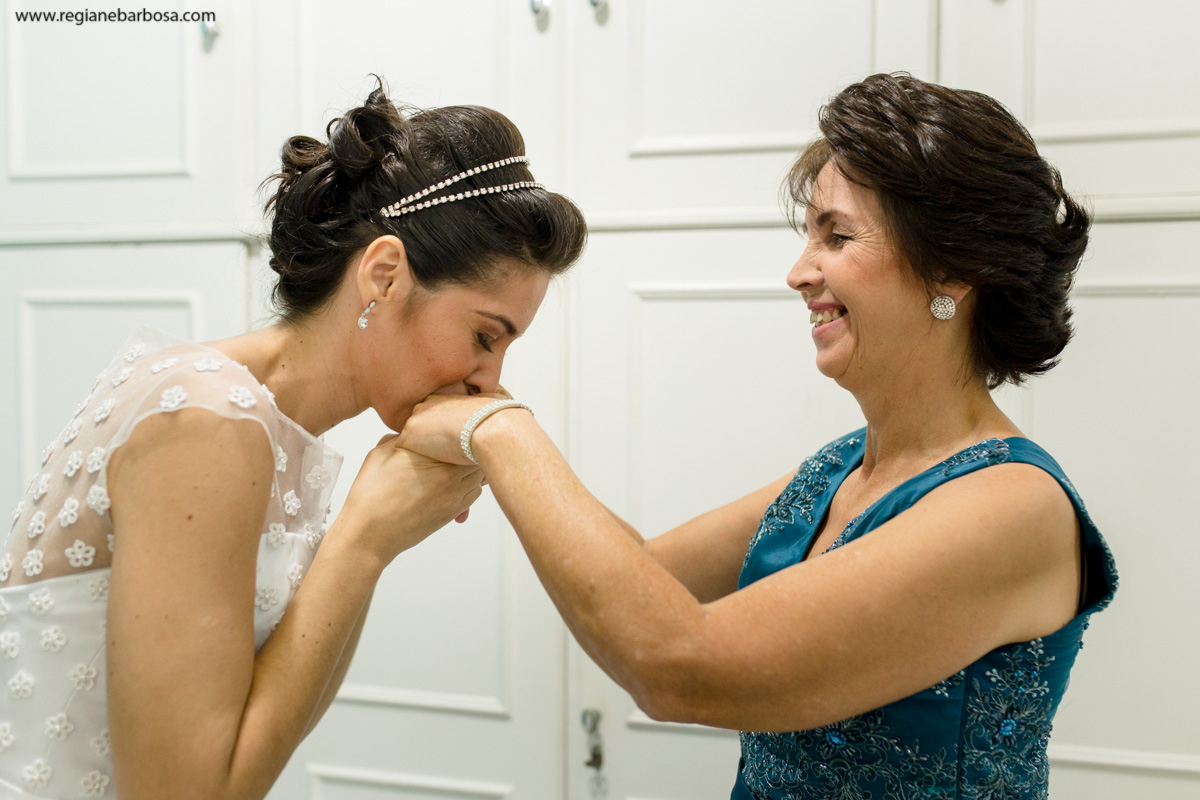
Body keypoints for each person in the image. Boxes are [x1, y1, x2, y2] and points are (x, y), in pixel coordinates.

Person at [398, 73, 1118, 800]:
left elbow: (676, 664)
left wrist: (500, 434)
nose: (798, 273)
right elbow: (639, 577)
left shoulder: (1013, 508)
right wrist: (481, 441)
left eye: (835, 235)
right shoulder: (839, 470)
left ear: (953, 268)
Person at [0, 81, 586, 799]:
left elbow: (260, 727)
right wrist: (365, 539)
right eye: (484, 336)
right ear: (383, 273)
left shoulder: (263, 424)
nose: (490, 380)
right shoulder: (211, 421)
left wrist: (375, 539)